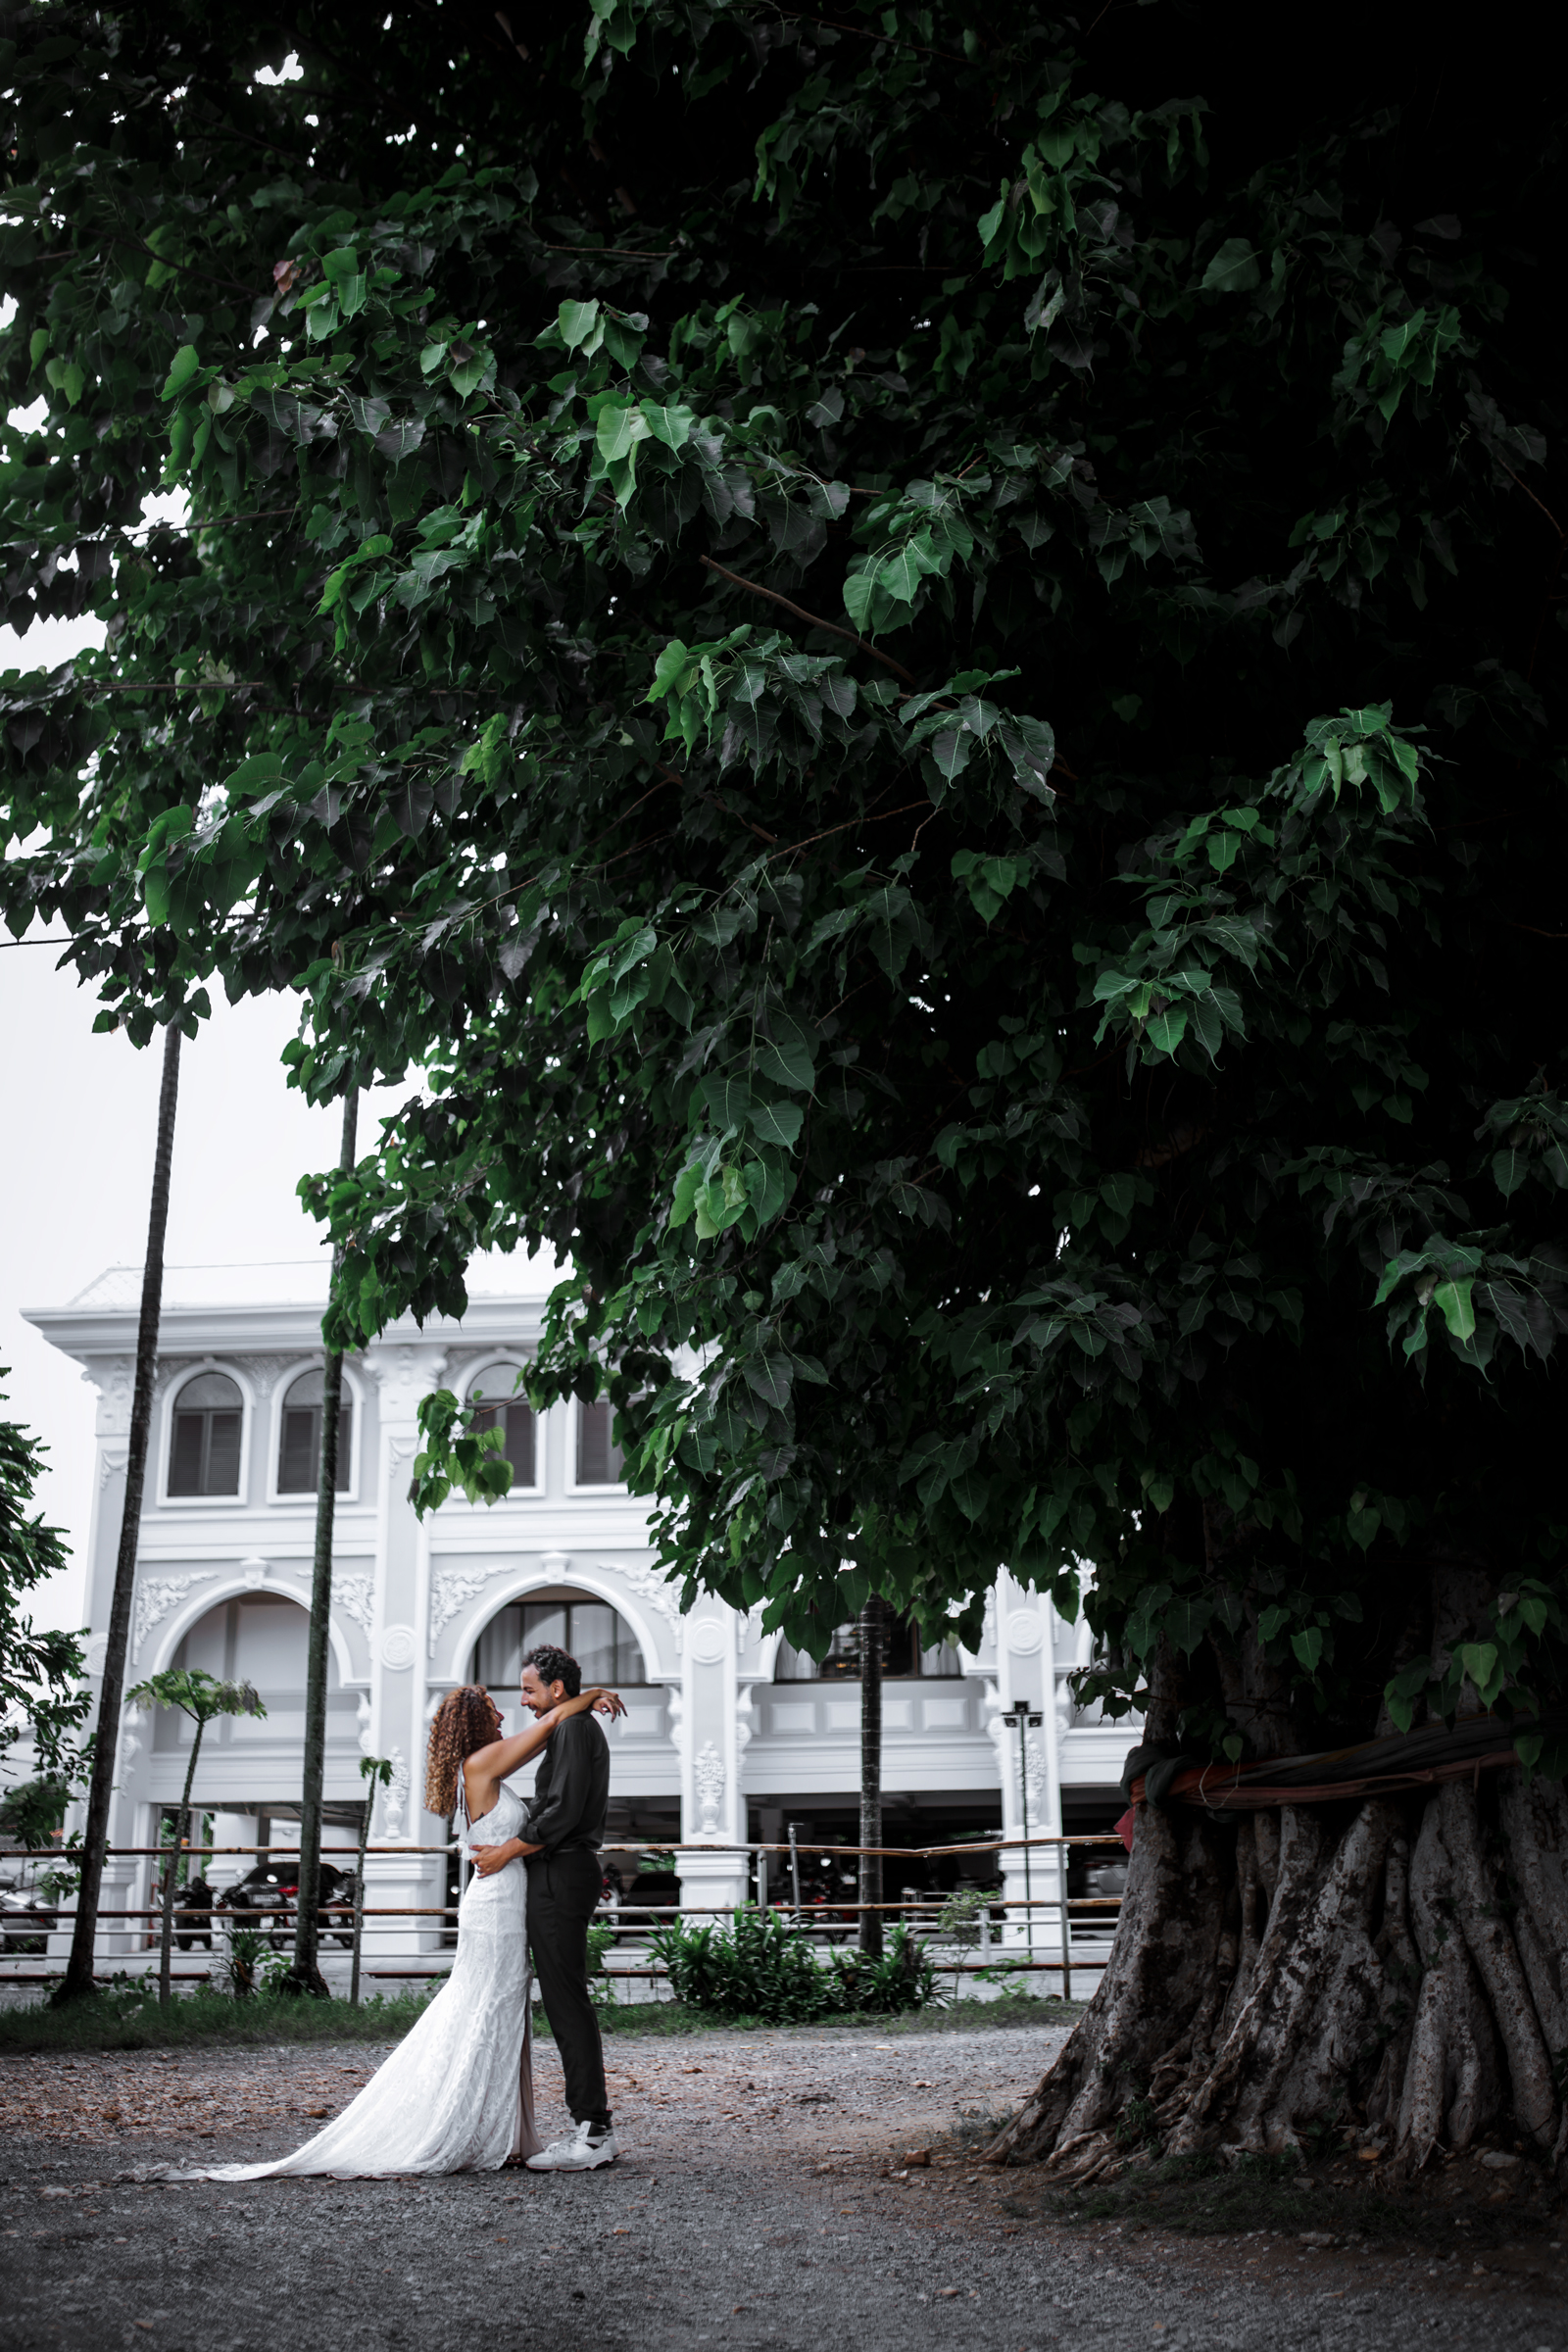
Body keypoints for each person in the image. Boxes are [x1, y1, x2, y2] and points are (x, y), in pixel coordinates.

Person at [168, 1678, 623, 2180]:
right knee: (484, 2011)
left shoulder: (485, 1764)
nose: (501, 1716)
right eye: (492, 1710)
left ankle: (495, 2129)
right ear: (474, 1722)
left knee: (499, 2015)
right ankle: (456, 2127)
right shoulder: (479, 1765)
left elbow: (548, 1728)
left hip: (504, 1903)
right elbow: (551, 1722)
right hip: (496, 1911)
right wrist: (591, 1693)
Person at [470, 1641, 618, 2171]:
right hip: (556, 1871)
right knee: (562, 1996)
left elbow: (559, 1813)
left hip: (561, 1871)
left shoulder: (576, 1729)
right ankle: (590, 2124)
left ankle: (594, 2131)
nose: (525, 1701)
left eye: (531, 1690)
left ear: (557, 1689)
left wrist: (507, 1849)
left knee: (564, 1998)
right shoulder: (568, 1726)